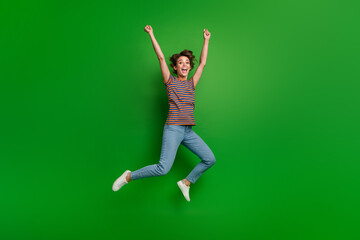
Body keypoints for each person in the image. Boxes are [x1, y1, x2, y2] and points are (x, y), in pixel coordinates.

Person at [112, 25, 215, 202]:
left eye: (187, 63)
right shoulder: (170, 82)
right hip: (173, 129)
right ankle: (128, 176)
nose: (184, 65)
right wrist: (151, 34)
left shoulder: (192, 84)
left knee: (209, 158)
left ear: (190, 67)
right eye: (180, 62)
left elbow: (203, 63)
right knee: (163, 168)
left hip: (188, 131)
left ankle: (186, 182)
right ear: (175, 67)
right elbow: (160, 57)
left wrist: (206, 40)